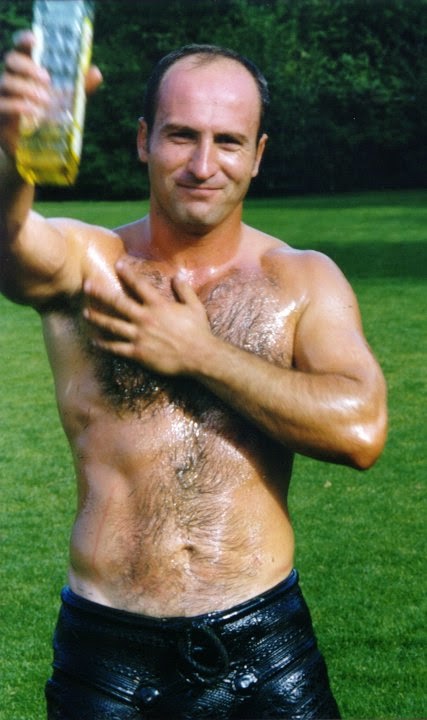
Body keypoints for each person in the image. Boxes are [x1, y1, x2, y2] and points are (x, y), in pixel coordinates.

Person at [0, 32, 387, 720]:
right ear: (143, 140)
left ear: (257, 155)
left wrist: (200, 353)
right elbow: (10, 245)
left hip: (266, 651)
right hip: (109, 661)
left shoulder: (302, 279)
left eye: (227, 141)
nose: (203, 165)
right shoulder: (93, 265)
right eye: (181, 135)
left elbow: (359, 430)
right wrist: (11, 154)